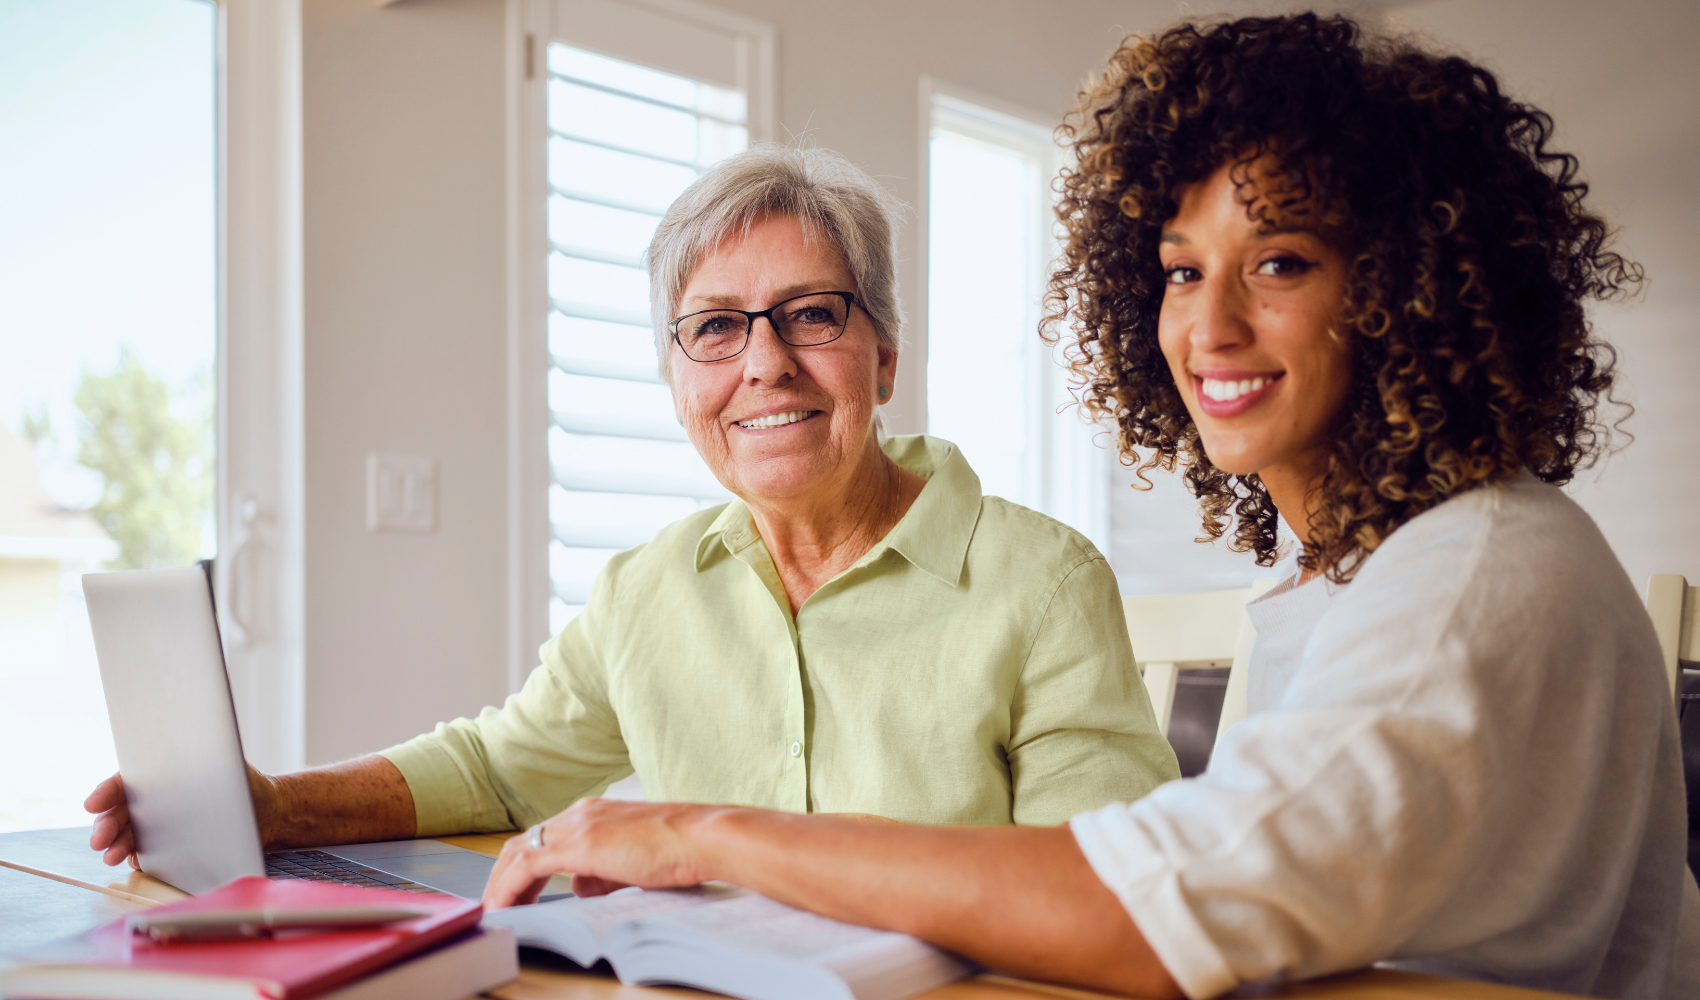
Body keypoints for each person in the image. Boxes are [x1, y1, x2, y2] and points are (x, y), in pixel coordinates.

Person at [476, 15, 1700, 1000]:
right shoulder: (1347, 572)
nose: (1207, 325)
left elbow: (1144, 913)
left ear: (1410, 287)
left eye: (1277, 261)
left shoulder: (1471, 576)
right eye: (1178, 269)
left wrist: (699, 833)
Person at [85, 146, 1180, 864]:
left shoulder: (1042, 582)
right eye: (714, 327)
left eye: (808, 314)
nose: (764, 364)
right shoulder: (647, 590)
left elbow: (1103, 885)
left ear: (882, 358)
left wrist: (707, 838)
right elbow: (496, 768)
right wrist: (275, 805)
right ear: (676, 381)